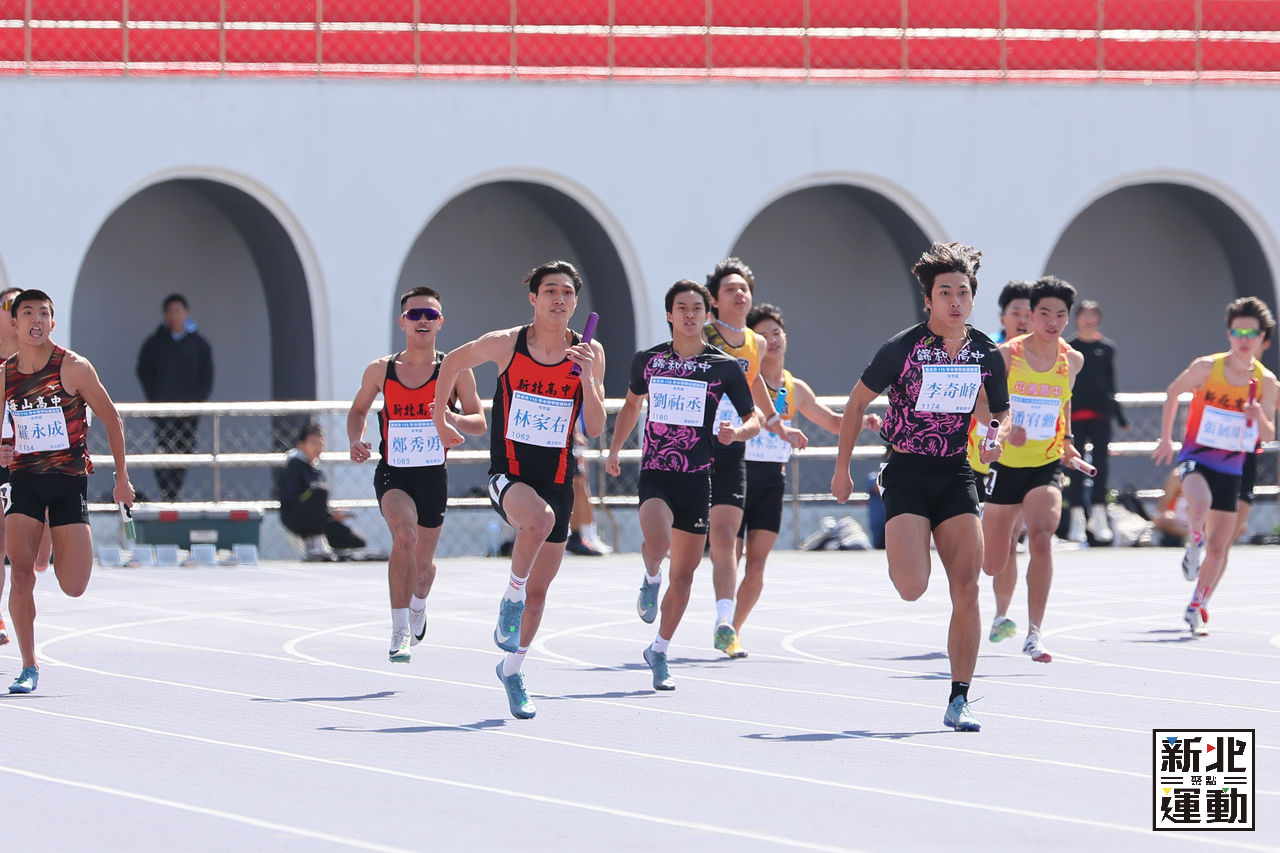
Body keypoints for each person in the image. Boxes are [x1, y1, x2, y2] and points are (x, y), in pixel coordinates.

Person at [831, 242, 1008, 732]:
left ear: (973, 299)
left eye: (963, 292)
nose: (955, 301)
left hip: (956, 473)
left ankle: (960, 697)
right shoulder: (902, 348)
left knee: (968, 587)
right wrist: (843, 468)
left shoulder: (986, 353)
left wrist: (995, 436)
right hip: (906, 472)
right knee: (912, 588)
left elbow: (1000, 411)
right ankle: (905, 551)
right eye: (945, 292)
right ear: (928, 299)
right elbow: (855, 403)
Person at [434, 261, 605, 719]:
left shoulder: (588, 351)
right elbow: (451, 361)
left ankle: (512, 669)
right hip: (508, 474)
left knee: (541, 593)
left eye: (567, 292)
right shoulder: (507, 343)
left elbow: (594, 425)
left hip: (558, 480)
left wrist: (588, 378)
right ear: (533, 298)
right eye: (550, 291)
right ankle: (510, 595)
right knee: (538, 521)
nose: (559, 299)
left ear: (575, 301)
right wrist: (439, 417)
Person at [606, 280, 759, 689]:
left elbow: (754, 419)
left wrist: (737, 432)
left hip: (697, 478)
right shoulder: (649, 361)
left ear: (707, 315)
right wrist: (615, 449)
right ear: (669, 315)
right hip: (657, 472)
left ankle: (659, 650)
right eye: (682, 308)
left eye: (696, 308)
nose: (689, 315)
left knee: (686, 576)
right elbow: (632, 405)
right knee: (658, 544)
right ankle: (650, 575)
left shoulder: (724, 367)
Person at [1, 289, 135, 694]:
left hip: (67, 485)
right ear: (15, 324)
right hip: (24, 484)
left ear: (52, 323)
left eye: (43, 313)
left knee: (73, 585)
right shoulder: (5, 374)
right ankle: (28, 665)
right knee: (20, 574)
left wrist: (122, 479)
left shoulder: (73, 367)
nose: (36, 320)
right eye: (28, 313)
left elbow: (112, 419)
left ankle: (54, 531)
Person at [726, 302, 878, 657]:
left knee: (757, 563)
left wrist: (863, 422)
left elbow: (834, 423)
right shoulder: (742, 379)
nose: (772, 340)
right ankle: (722, 615)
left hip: (771, 479)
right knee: (731, 557)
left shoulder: (795, 387)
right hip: (737, 472)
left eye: (776, 332)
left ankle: (733, 630)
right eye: (763, 335)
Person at [348, 287, 485, 663]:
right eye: (414, 314)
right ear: (402, 322)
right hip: (394, 473)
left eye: (430, 315)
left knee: (422, 568)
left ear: (440, 322)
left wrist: (451, 418)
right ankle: (398, 631)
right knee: (404, 537)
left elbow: (479, 421)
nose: (422, 320)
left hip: (433, 477)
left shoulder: (455, 370)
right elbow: (358, 410)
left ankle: (419, 603)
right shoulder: (381, 370)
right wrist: (356, 439)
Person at [1152, 296, 1277, 637]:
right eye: (1238, 332)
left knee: (1221, 545)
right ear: (1228, 333)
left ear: (1262, 338)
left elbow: (1268, 434)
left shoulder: (1266, 381)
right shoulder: (1206, 367)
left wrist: (1258, 415)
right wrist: (1166, 439)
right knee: (1200, 503)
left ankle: (1198, 603)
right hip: (1197, 456)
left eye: (1251, 333)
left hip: (1234, 467)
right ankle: (1194, 544)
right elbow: (1173, 392)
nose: (1244, 339)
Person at [980, 276, 1085, 664]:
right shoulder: (1007, 355)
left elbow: (1064, 401)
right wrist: (1004, 429)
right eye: (1044, 313)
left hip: (1046, 463)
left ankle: (1034, 632)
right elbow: (980, 404)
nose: (1052, 322)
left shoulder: (1072, 360)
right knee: (995, 558)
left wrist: (1068, 440)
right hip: (1005, 465)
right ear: (1031, 314)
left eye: (1061, 314)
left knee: (1041, 538)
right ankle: (999, 614)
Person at [703, 258, 805, 656]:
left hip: (743, 453)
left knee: (746, 555)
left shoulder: (754, 344)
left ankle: (729, 627)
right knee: (704, 547)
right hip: (701, 447)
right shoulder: (703, 332)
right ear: (714, 299)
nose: (739, 294)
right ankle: (656, 572)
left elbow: (755, 387)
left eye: (743, 288)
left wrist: (779, 426)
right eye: (730, 289)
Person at [966, 281, 1032, 641]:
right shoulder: (989, 352)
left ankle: (1001, 615)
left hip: (1019, 462)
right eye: (1016, 313)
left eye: (1028, 314)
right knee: (978, 542)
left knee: (1008, 541)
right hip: (979, 460)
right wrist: (1002, 429)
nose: (1023, 320)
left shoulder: (1044, 357)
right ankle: (967, 603)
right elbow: (976, 402)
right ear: (1002, 317)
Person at [135, 293, 213, 501]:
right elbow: (144, 371)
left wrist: (198, 399)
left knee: (185, 450)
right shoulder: (155, 343)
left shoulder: (198, 344)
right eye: (170, 312)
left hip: (189, 411)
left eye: (178, 311)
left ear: (186, 313)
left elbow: (207, 375)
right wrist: (155, 398)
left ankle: (174, 493)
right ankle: (166, 493)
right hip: (163, 410)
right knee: (163, 450)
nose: (174, 316)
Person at [1065, 300, 1129, 544]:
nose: (1089, 320)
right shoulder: (1068, 347)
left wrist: (1121, 417)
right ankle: (1077, 517)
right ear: (1077, 318)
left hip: (1101, 414)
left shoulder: (1107, 348)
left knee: (1101, 465)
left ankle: (1099, 514)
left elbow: (1111, 384)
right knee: (1075, 465)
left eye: (1093, 315)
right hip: (1074, 415)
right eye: (1085, 314)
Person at [277, 422, 367, 560]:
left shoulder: (316, 469)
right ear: (301, 445)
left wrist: (331, 514)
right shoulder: (293, 466)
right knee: (320, 492)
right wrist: (318, 499)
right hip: (296, 518)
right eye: (313, 443)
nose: (318, 448)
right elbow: (295, 498)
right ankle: (314, 546)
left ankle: (329, 550)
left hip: (319, 520)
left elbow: (318, 503)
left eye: (320, 443)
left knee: (356, 541)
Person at [566, 422, 611, 556]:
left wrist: (577, 432)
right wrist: (576, 432)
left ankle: (585, 535)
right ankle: (580, 535)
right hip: (562, 433)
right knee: (577, 484)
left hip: (570, 434)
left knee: (580, 482)